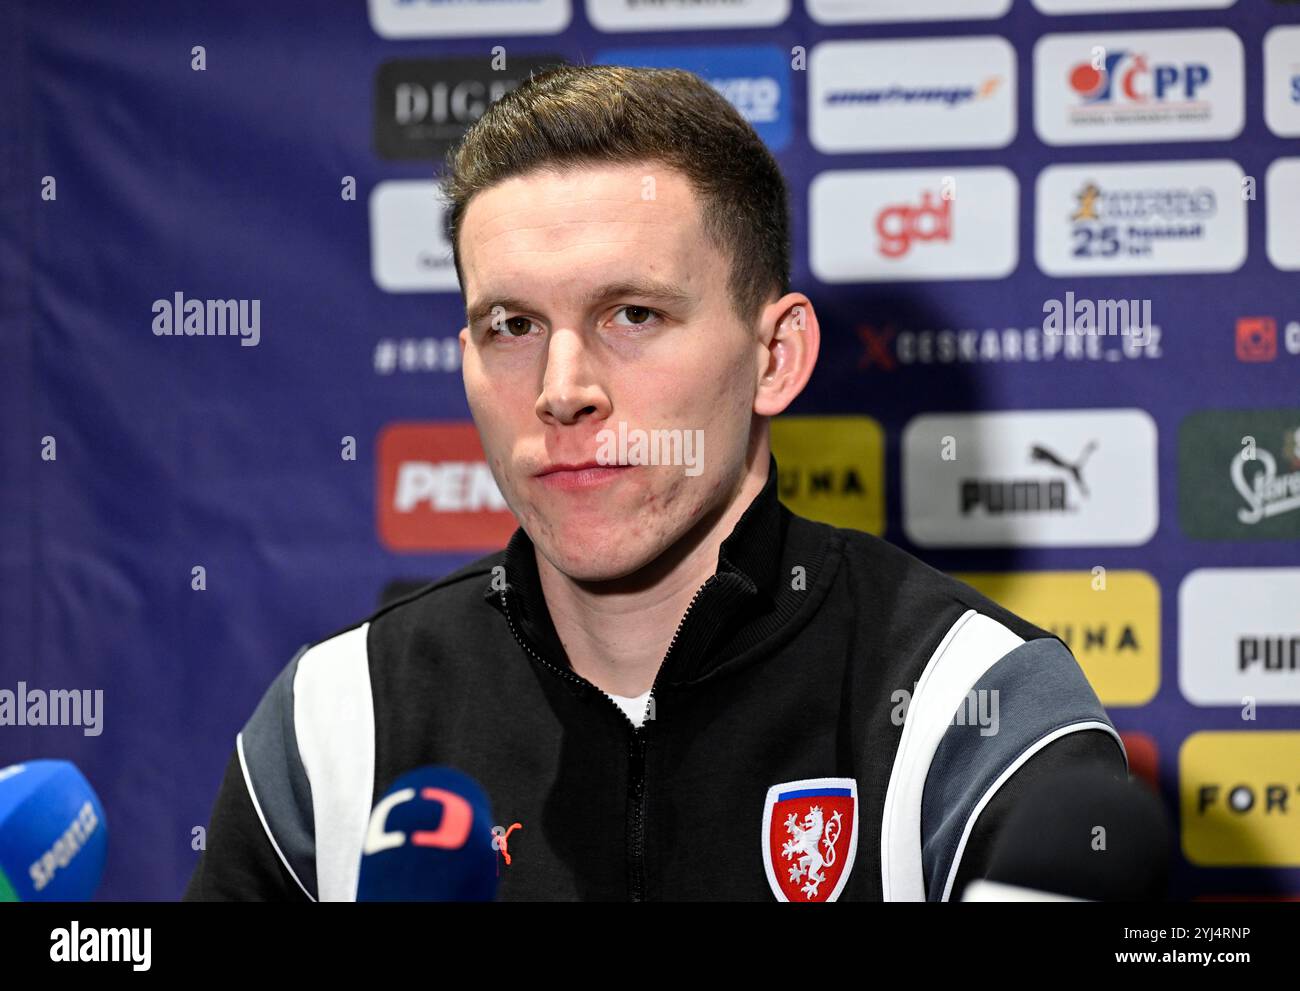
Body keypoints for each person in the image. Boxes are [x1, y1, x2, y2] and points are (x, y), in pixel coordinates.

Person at [184, 64, 1128, 902]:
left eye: (631, 313)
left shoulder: (972, 705)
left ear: (775, 356)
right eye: (512, 326)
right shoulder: (338, 717)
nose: (562, 393)